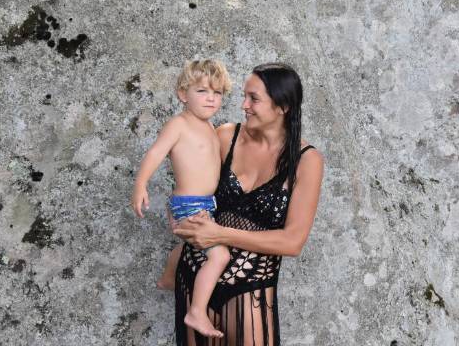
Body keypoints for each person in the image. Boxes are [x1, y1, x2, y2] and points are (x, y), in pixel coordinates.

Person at [173, 62, 324, 346]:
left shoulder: (306, 160)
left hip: (251, 288)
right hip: (195, 274)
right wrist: (181, 221)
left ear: (282, 106)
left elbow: (292, 242)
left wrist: (221, 234)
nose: (244, 105)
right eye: (244, 96)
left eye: (254, 98)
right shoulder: (225, 136)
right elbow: (189, 189)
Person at [131, 59, 233, 338]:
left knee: (192, 246)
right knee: (220, 256)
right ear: (182, 94)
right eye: (202, 91)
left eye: (217, 93)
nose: (211, 98)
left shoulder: (211, 128)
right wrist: (140, 184)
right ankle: (196, 312)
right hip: (188, 205)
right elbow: (155, 153)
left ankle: (168, 278)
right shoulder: (179, 124)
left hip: (205, 206)